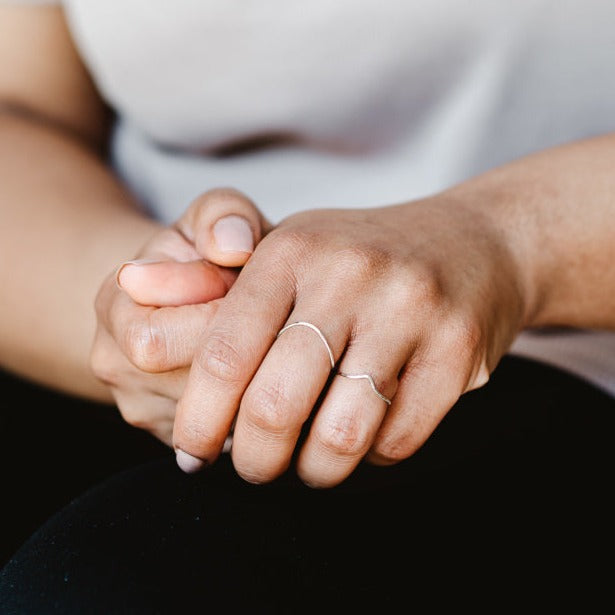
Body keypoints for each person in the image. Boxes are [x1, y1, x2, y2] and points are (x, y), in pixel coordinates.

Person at [1, 1, 614, 611]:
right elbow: (20, 110)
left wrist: (504, 243)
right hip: (104, 301)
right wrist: (148, 304)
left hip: (560, 339)